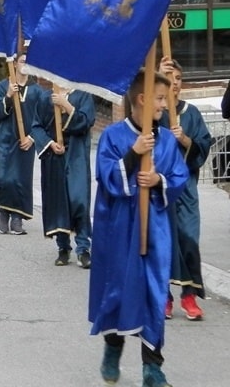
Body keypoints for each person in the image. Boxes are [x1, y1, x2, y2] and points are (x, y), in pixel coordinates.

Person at [90, 70, 188, 387]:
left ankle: (152, 368)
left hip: (154, 229)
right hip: (119, 229)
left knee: (154, 293)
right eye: (160, 98)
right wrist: (134, 154)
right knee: (118, 290)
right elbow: (106, 176)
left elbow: (178, 176)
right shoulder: (113, 136)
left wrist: (159, 180)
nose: (165, 104)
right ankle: (113, 347)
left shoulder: (169, 140)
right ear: (143, 99)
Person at [158, 57, 212, 320]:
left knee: (189, 238)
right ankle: (165, 297)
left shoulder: (191, 112)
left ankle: (189, 296)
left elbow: (203, 145)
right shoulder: (155, 112)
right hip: (161, 189)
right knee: (164, 242)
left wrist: (184, 139)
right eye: (169, 79)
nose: (174, 84)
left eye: (178, 79)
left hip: (187, 188)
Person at [31, 84, 96, 268]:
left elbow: (86, 120)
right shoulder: (45, 98)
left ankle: (83, 248)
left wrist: (66, 105)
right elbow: (36, 126)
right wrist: (50, 143)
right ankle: (63, 247)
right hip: (54, 157)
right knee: (58, 200)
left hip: (76, 155)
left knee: (79, 199)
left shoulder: (83, 95)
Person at [0, 54, 44, 235]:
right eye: (22, 62)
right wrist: (8, 96)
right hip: (5, 139)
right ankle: (3, 212)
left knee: (20, 179)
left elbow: (43, 119)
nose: (25, 65)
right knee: (4, 178)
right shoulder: (3, 86)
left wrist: (32, 138)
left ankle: (17, 218)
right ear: (14, 64)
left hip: (25, 141)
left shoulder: (37, 91)